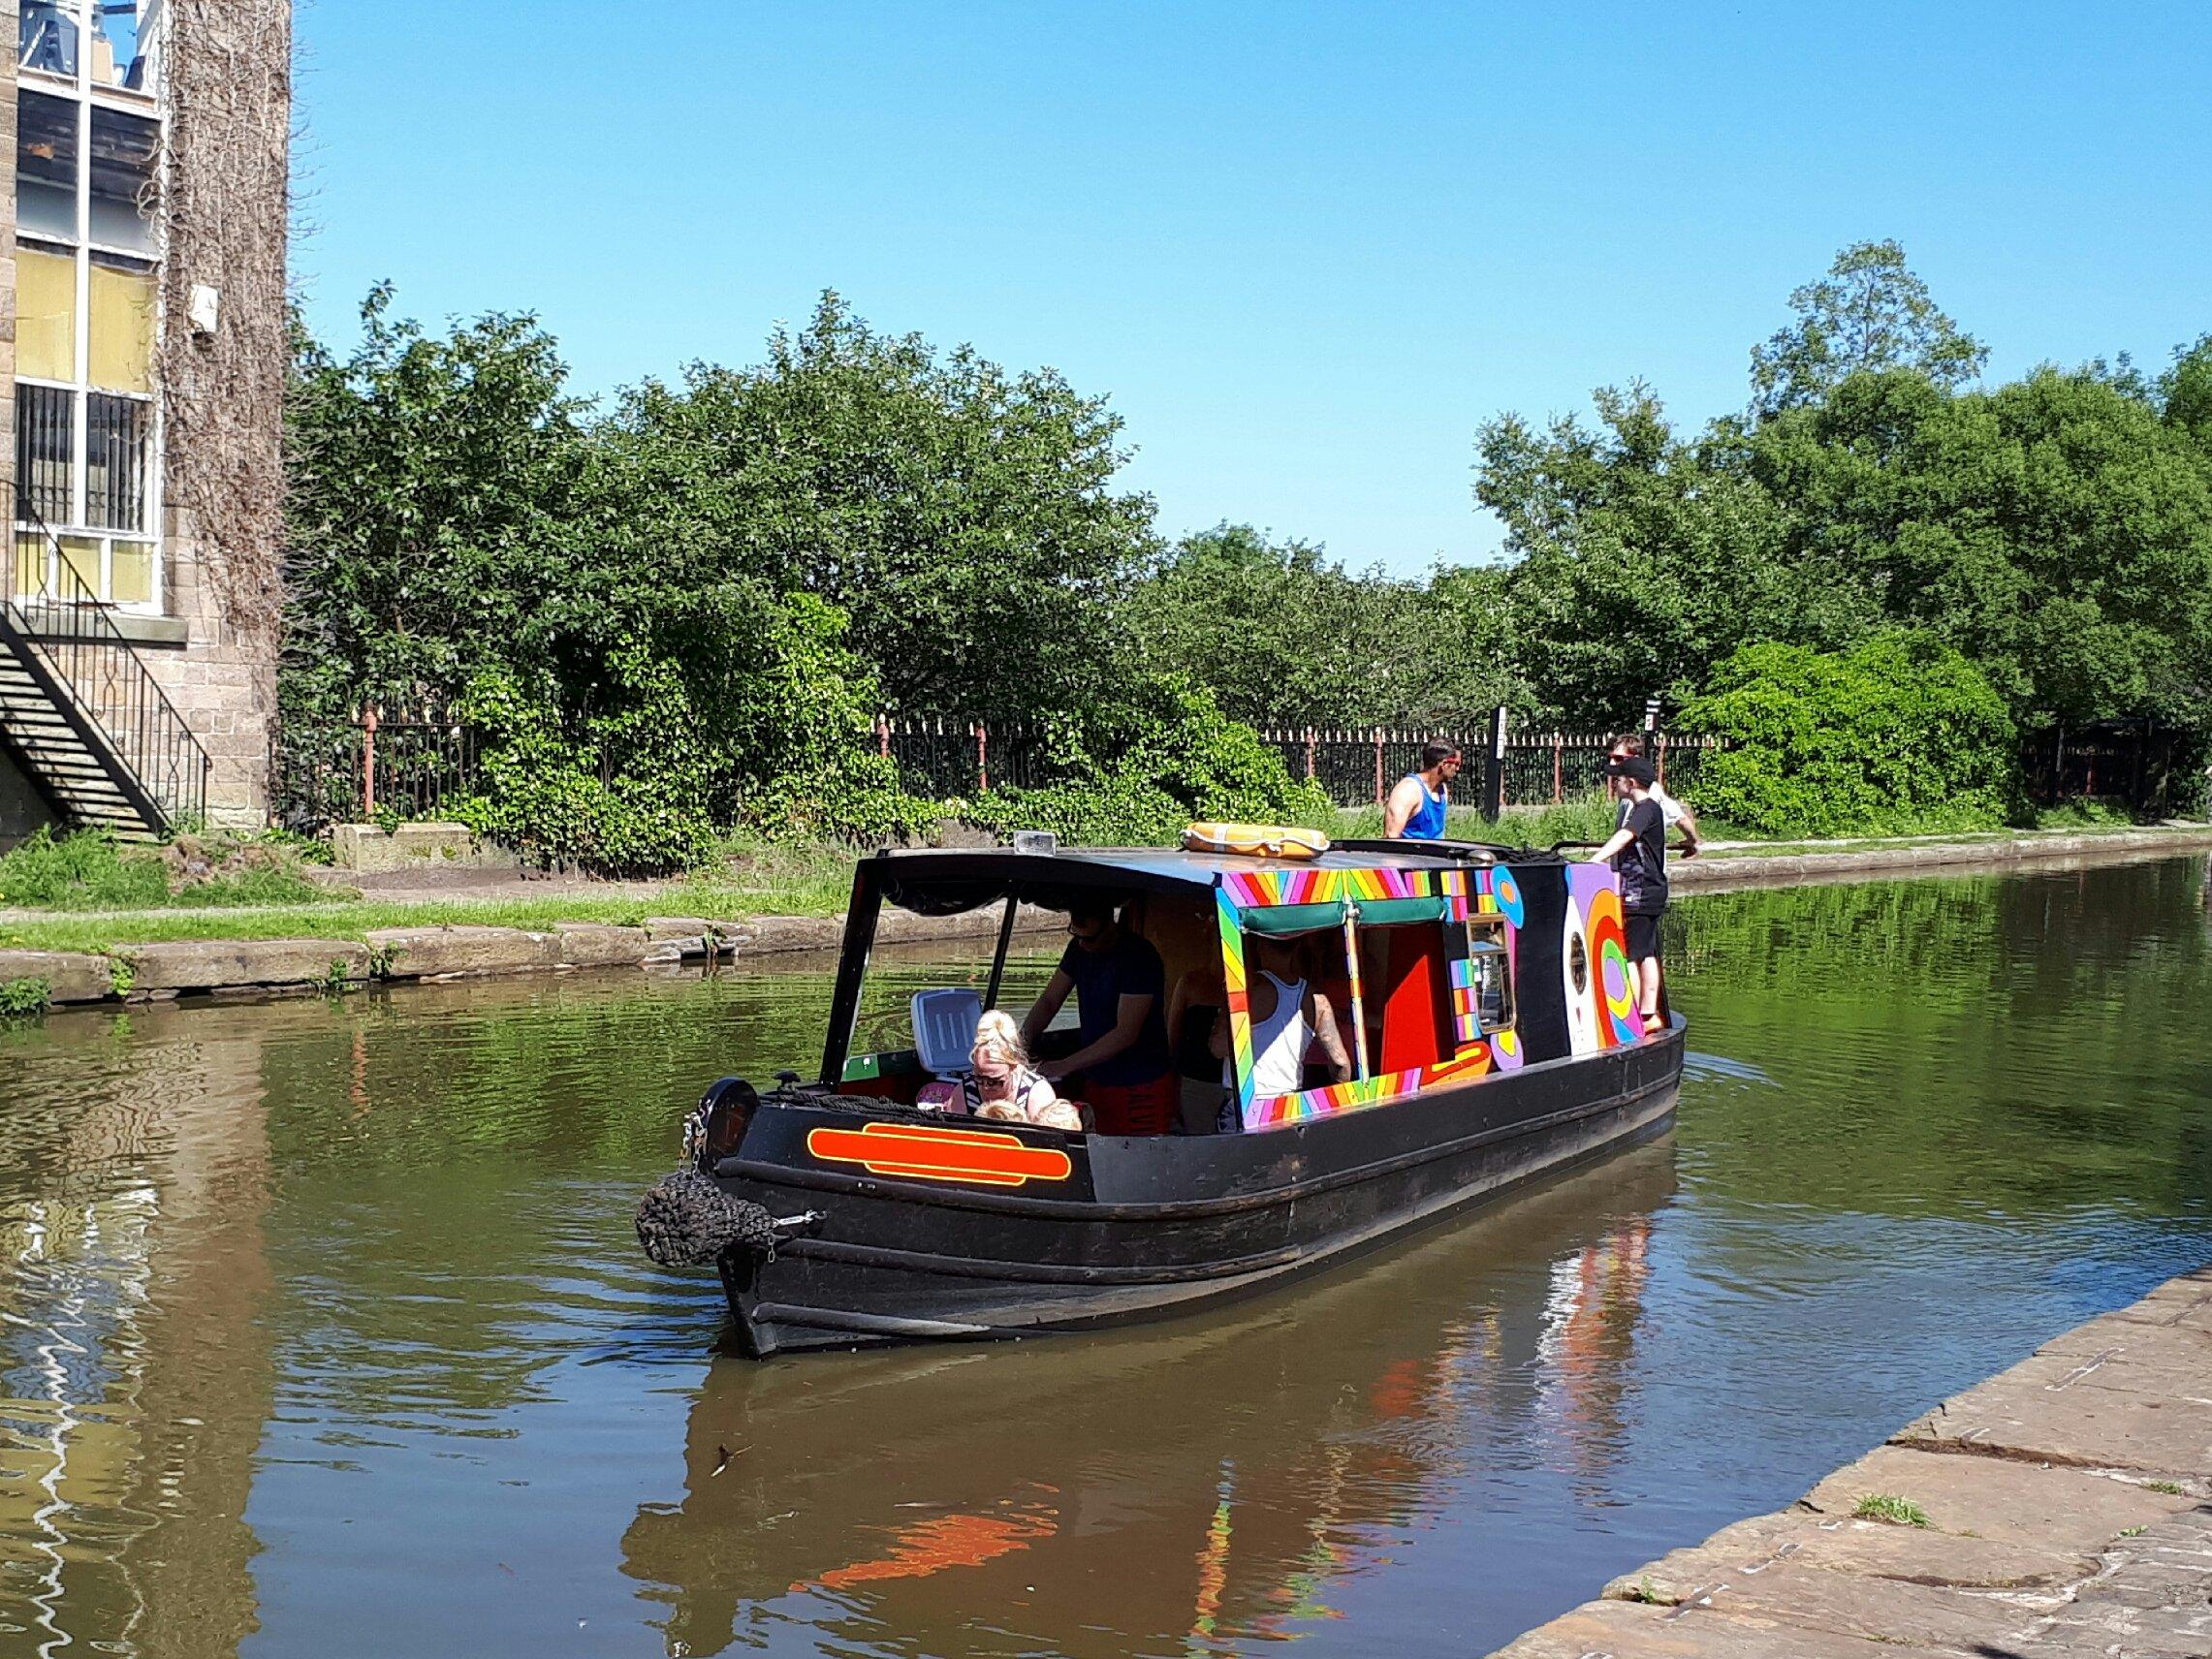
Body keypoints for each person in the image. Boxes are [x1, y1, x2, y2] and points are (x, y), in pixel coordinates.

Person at [1022, 899, 1178, 1135]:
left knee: (1136, 1156)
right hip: (1096, 1076)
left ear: (1110, 926)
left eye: (1089, 939)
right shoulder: (1078, 949)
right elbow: (1049, 1002)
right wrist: (1019, 1044)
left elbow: (1125, 1033)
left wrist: (1064, 1065)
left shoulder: (1139, 957)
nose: (1082, 944)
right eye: (1077, 935)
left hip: (1140, 1084)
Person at [1207, 935, 1352, 1096]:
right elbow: (1340, 1063)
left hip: (1246, 1105)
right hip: (1289, 1105)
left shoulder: (1250, 990)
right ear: (1296, 948)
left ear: (1260, 946)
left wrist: (1222, 1019)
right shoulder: (1316, 999)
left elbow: (1218, 1048)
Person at [1588, 756, 1668, 1036]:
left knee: (1630, 955)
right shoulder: (1647, 809)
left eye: (1618, 778)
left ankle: (1632, 1016)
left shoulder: (1645, 809)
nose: (1615, 783)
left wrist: (1595, 860)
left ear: (1631, 783)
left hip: (1641, 892)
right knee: (1645, 951)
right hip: (1651, 890)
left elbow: (1625, 836)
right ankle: (1649, 1013)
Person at [915, 1009, 1083, 1130]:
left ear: (1014, 1065)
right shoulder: (963, 1093)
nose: (985, 1087)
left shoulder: (1037, 1094)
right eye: (979, 1078)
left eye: (995, 1081)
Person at [1606, 733, 1699, 857]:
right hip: (1631, 870)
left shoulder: (1642, 794)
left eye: (1618, 758)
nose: (1612, 763)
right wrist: (1693, 841)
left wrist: (1595, 859)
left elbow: (1626, 835)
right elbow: (1680, 818)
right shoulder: (1647, 789)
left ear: (1635, 758)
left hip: (1644, 872)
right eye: (1611, 758)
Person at [1384, 740, 1461, 839]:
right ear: (1444, 764)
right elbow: (1391, 836)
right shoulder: (1409, 790)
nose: (1458, 769)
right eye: (1457, 764)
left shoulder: (1442, 790)